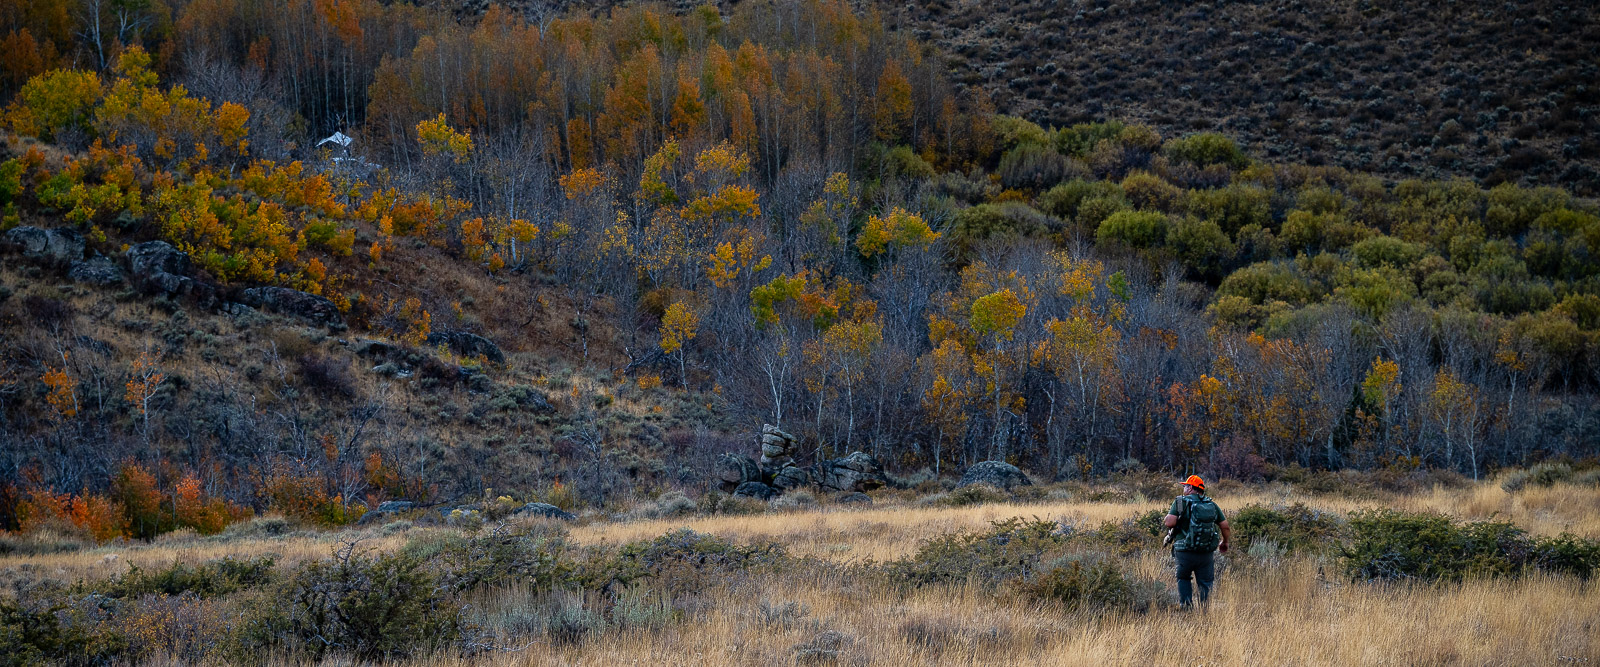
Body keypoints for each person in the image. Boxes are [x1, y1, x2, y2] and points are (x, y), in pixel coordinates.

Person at [1163, 474, 1231, 608]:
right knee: (1205, 582)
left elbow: (1169, 522)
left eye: (1185, 486)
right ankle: (1205, 611)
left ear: (1190, 488)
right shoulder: (1211, 504)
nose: (1184, 489)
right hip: (1205, 552)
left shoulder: (1180, 502)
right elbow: (1225, 526)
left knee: (1183, 579)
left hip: (1184, 550)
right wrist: (1225, 542)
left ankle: (1186, 608)